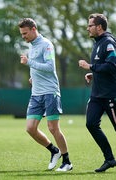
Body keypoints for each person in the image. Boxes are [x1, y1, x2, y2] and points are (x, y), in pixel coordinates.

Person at [78, 13, 116, 172]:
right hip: (97, 95)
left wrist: (90, 67)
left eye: (90, 25)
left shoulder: (108, 43)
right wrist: (94, 73)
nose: (88, 28)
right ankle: (110, 159)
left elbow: (112, 66)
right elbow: (103, 66)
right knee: (91, 124)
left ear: (99, 27)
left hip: (112, 95)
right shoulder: (97, 43)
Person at [18, 18, 72, 171]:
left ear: (34, 29)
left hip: (50, 92)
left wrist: (29, 63)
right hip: (36, 94)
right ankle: (54, 151)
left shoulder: (46, 44)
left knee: (53, 128)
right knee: (30, 128)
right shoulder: (32, 46)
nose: (23, 36)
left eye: (25, 33)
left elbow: (49, 67)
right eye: (22, 34)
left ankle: (67, 161)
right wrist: (33, 76)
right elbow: (39, 67)